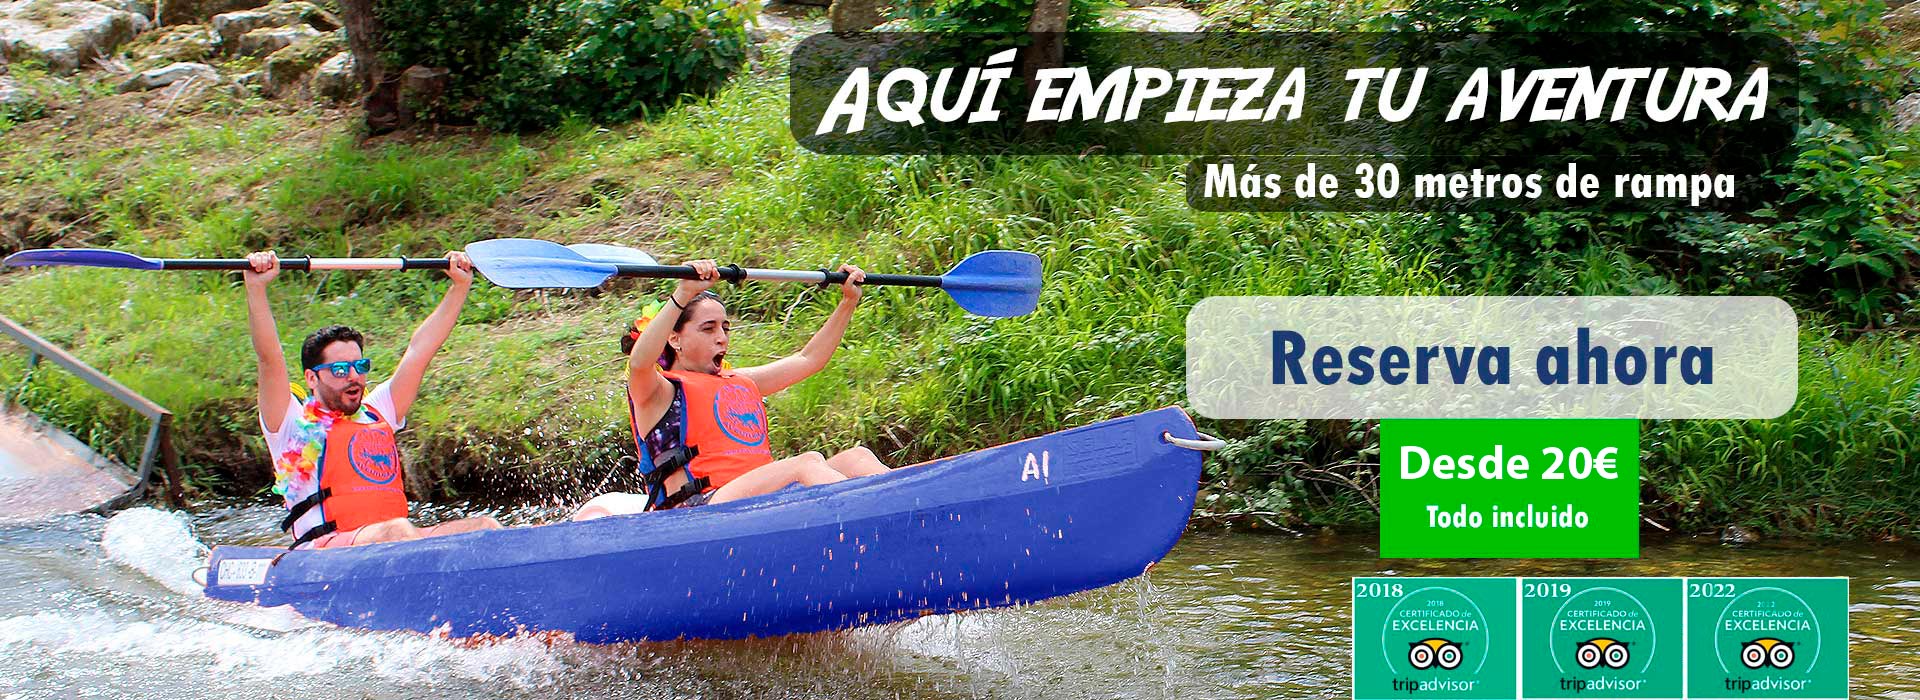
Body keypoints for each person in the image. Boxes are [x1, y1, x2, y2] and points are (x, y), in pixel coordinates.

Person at [571, 260, 890, 520]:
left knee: (857, 458)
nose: (721, 337)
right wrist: (682, 294)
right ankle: (873, 525)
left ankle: (912, 509)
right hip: (695, 513)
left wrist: (849, 302)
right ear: (675, 338)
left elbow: (809, 359)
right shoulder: (657, 391)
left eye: (724, 327)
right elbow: (640, 363)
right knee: (806, 462)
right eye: (708, 328)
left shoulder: (741, 381)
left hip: (755, 502)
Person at [244, 250, 501, 549]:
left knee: (486, 527)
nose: (353, 376)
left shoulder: (378, 412)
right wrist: (256, 288)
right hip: (325, 552)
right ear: (312, 378)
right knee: (396, 531)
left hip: (393, 541)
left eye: (360, 367)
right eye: (339, 370)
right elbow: (269, 360)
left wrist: (460, 287)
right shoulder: (290, 425)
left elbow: (419, 352)